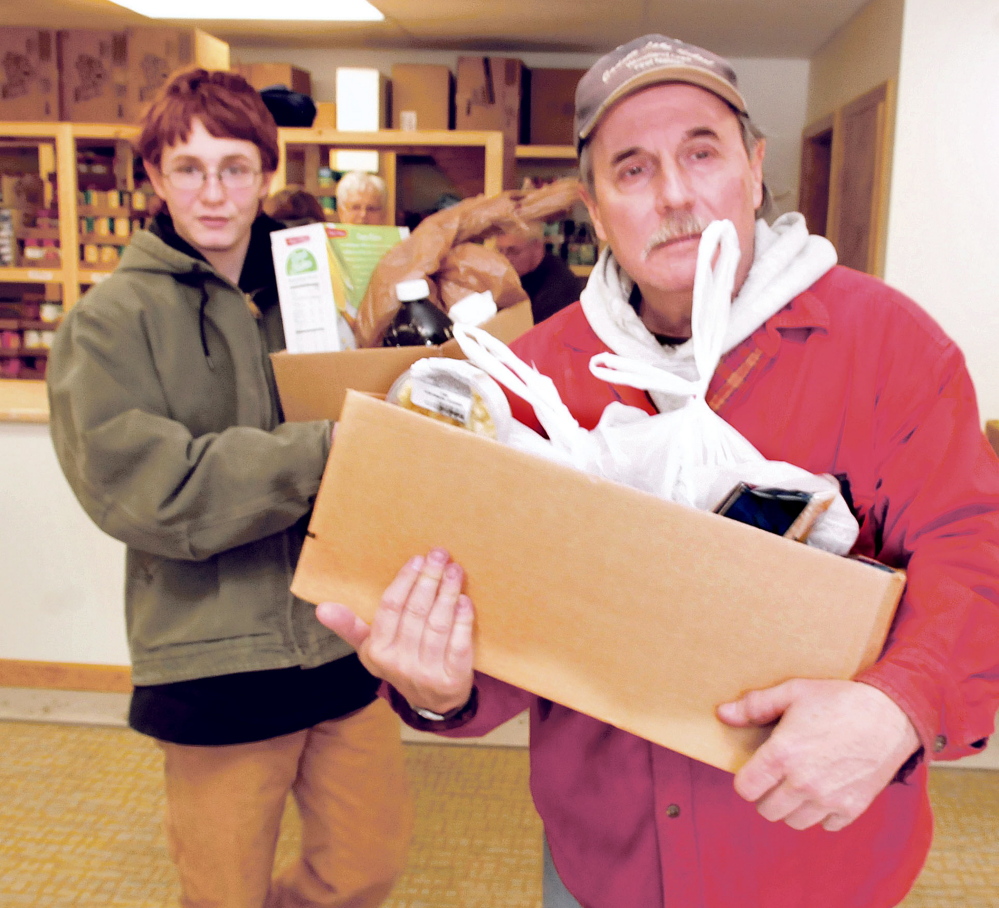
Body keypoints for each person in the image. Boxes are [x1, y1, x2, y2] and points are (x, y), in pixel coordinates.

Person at [315, 33, 999, 908]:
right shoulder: (533, 379)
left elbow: (972, 550)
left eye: (701, 153)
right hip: (604, 869)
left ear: (753, 168)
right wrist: (440, 687)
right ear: (595, 211)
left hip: (814, 865)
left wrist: (899, 705)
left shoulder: (888, 347)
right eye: (631, 170)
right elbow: (498, 635)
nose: (674, 195)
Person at [46, 68, 412, 908]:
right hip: (211, 657)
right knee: (222, 893)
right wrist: (322, 449)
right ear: (153, 177)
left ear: (266, 175)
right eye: (188, 168)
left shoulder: (315, 299)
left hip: (335, 641)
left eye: (236, 167)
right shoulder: (106, 324)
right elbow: (151, 492)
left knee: (367, 865)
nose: (214, 193)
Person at [494, 220, 585, 324]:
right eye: (500, 251)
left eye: (513, 251)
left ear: (537, 247)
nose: (505, 259)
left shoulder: (558, 288)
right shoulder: (514, 277)